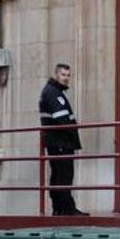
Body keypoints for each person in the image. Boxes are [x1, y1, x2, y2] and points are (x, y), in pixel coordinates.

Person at [38, 63, 87, 216]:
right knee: (64, 176)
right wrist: (72, 134)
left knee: (58, 175)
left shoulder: (53, 92)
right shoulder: (54, 94)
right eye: (63, 75)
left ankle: (60, 209)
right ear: (56, 75)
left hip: (57, 142)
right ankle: (66, 210)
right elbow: (62, 120)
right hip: (61, 142)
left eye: (68, 75)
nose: (66, 78)